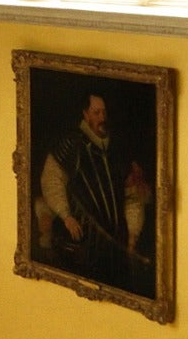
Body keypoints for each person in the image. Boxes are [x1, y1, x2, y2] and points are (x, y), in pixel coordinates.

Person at [35, 91, 152, 294]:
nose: (102, 118)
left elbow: (132, 196)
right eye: (96, 113)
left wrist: (132, 235)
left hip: (116, 244)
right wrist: (66, 216)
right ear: (85, 114)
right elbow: (51, 179)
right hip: (82, 238)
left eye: (104, 113)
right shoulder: (71, 144)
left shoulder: (115, 147)